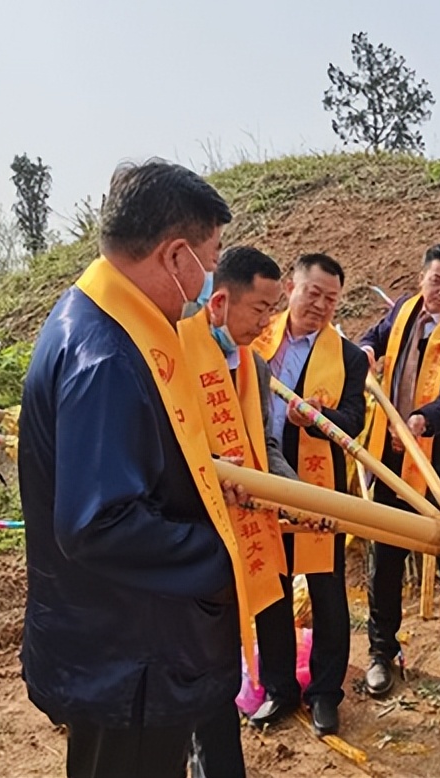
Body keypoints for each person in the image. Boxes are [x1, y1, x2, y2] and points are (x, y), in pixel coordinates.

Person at [18, 160, 249, 778]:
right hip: (129, 662)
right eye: (210, 257)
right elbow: (101, 522)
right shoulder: (106, 357)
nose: (209, 281)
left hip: (127, 649)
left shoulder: (104, 319)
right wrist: (223, 551)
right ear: (176, 257)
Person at [182, 245, 296, 778]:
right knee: (199, 674)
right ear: (221, 301)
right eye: (259, 309)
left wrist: (296, 495)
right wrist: (207, 470)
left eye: (274, 309)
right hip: (193, 541)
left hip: (243, 535)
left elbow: (266, 447)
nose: (266, 321)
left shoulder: (253, 361)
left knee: (222, 671)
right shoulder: (176, 352)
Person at [359, 242, 440, 702]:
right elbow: (370, 339)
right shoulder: (402, 312)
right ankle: (381, 653)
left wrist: (420, 421)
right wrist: (367, 351)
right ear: (421, 279)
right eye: (437, 281)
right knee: (385, 560)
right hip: (389, 456)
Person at [248, 253, 368, 736]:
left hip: (319, 489)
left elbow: (355, 421)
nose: (319, 305)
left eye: (331, 298)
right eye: (312, 292)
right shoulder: (254, 340)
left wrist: (320, 419)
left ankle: (324, 694)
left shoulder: (349, 357)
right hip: (261, 483)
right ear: (290, 289)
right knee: (271, 588)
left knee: (327, 591)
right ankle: (279, 689)